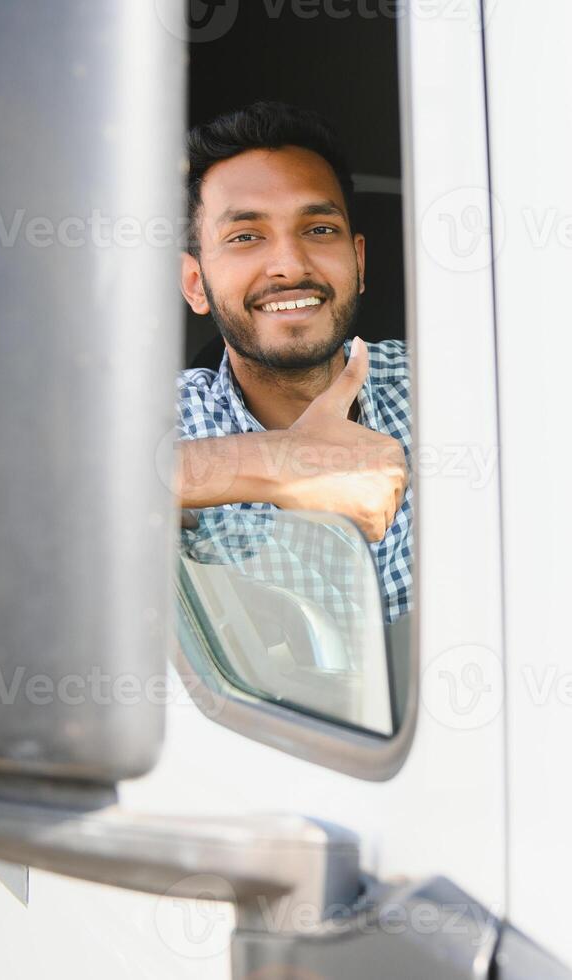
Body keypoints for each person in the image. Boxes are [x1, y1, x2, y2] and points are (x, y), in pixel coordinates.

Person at [174, 102, 411, 623]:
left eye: (319, 229)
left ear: (360, 261)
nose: (289, 265)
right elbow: (20, 494)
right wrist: (277, 462)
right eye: (245, 237)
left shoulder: (451, 384)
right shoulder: (168, 421)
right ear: (196, 284)